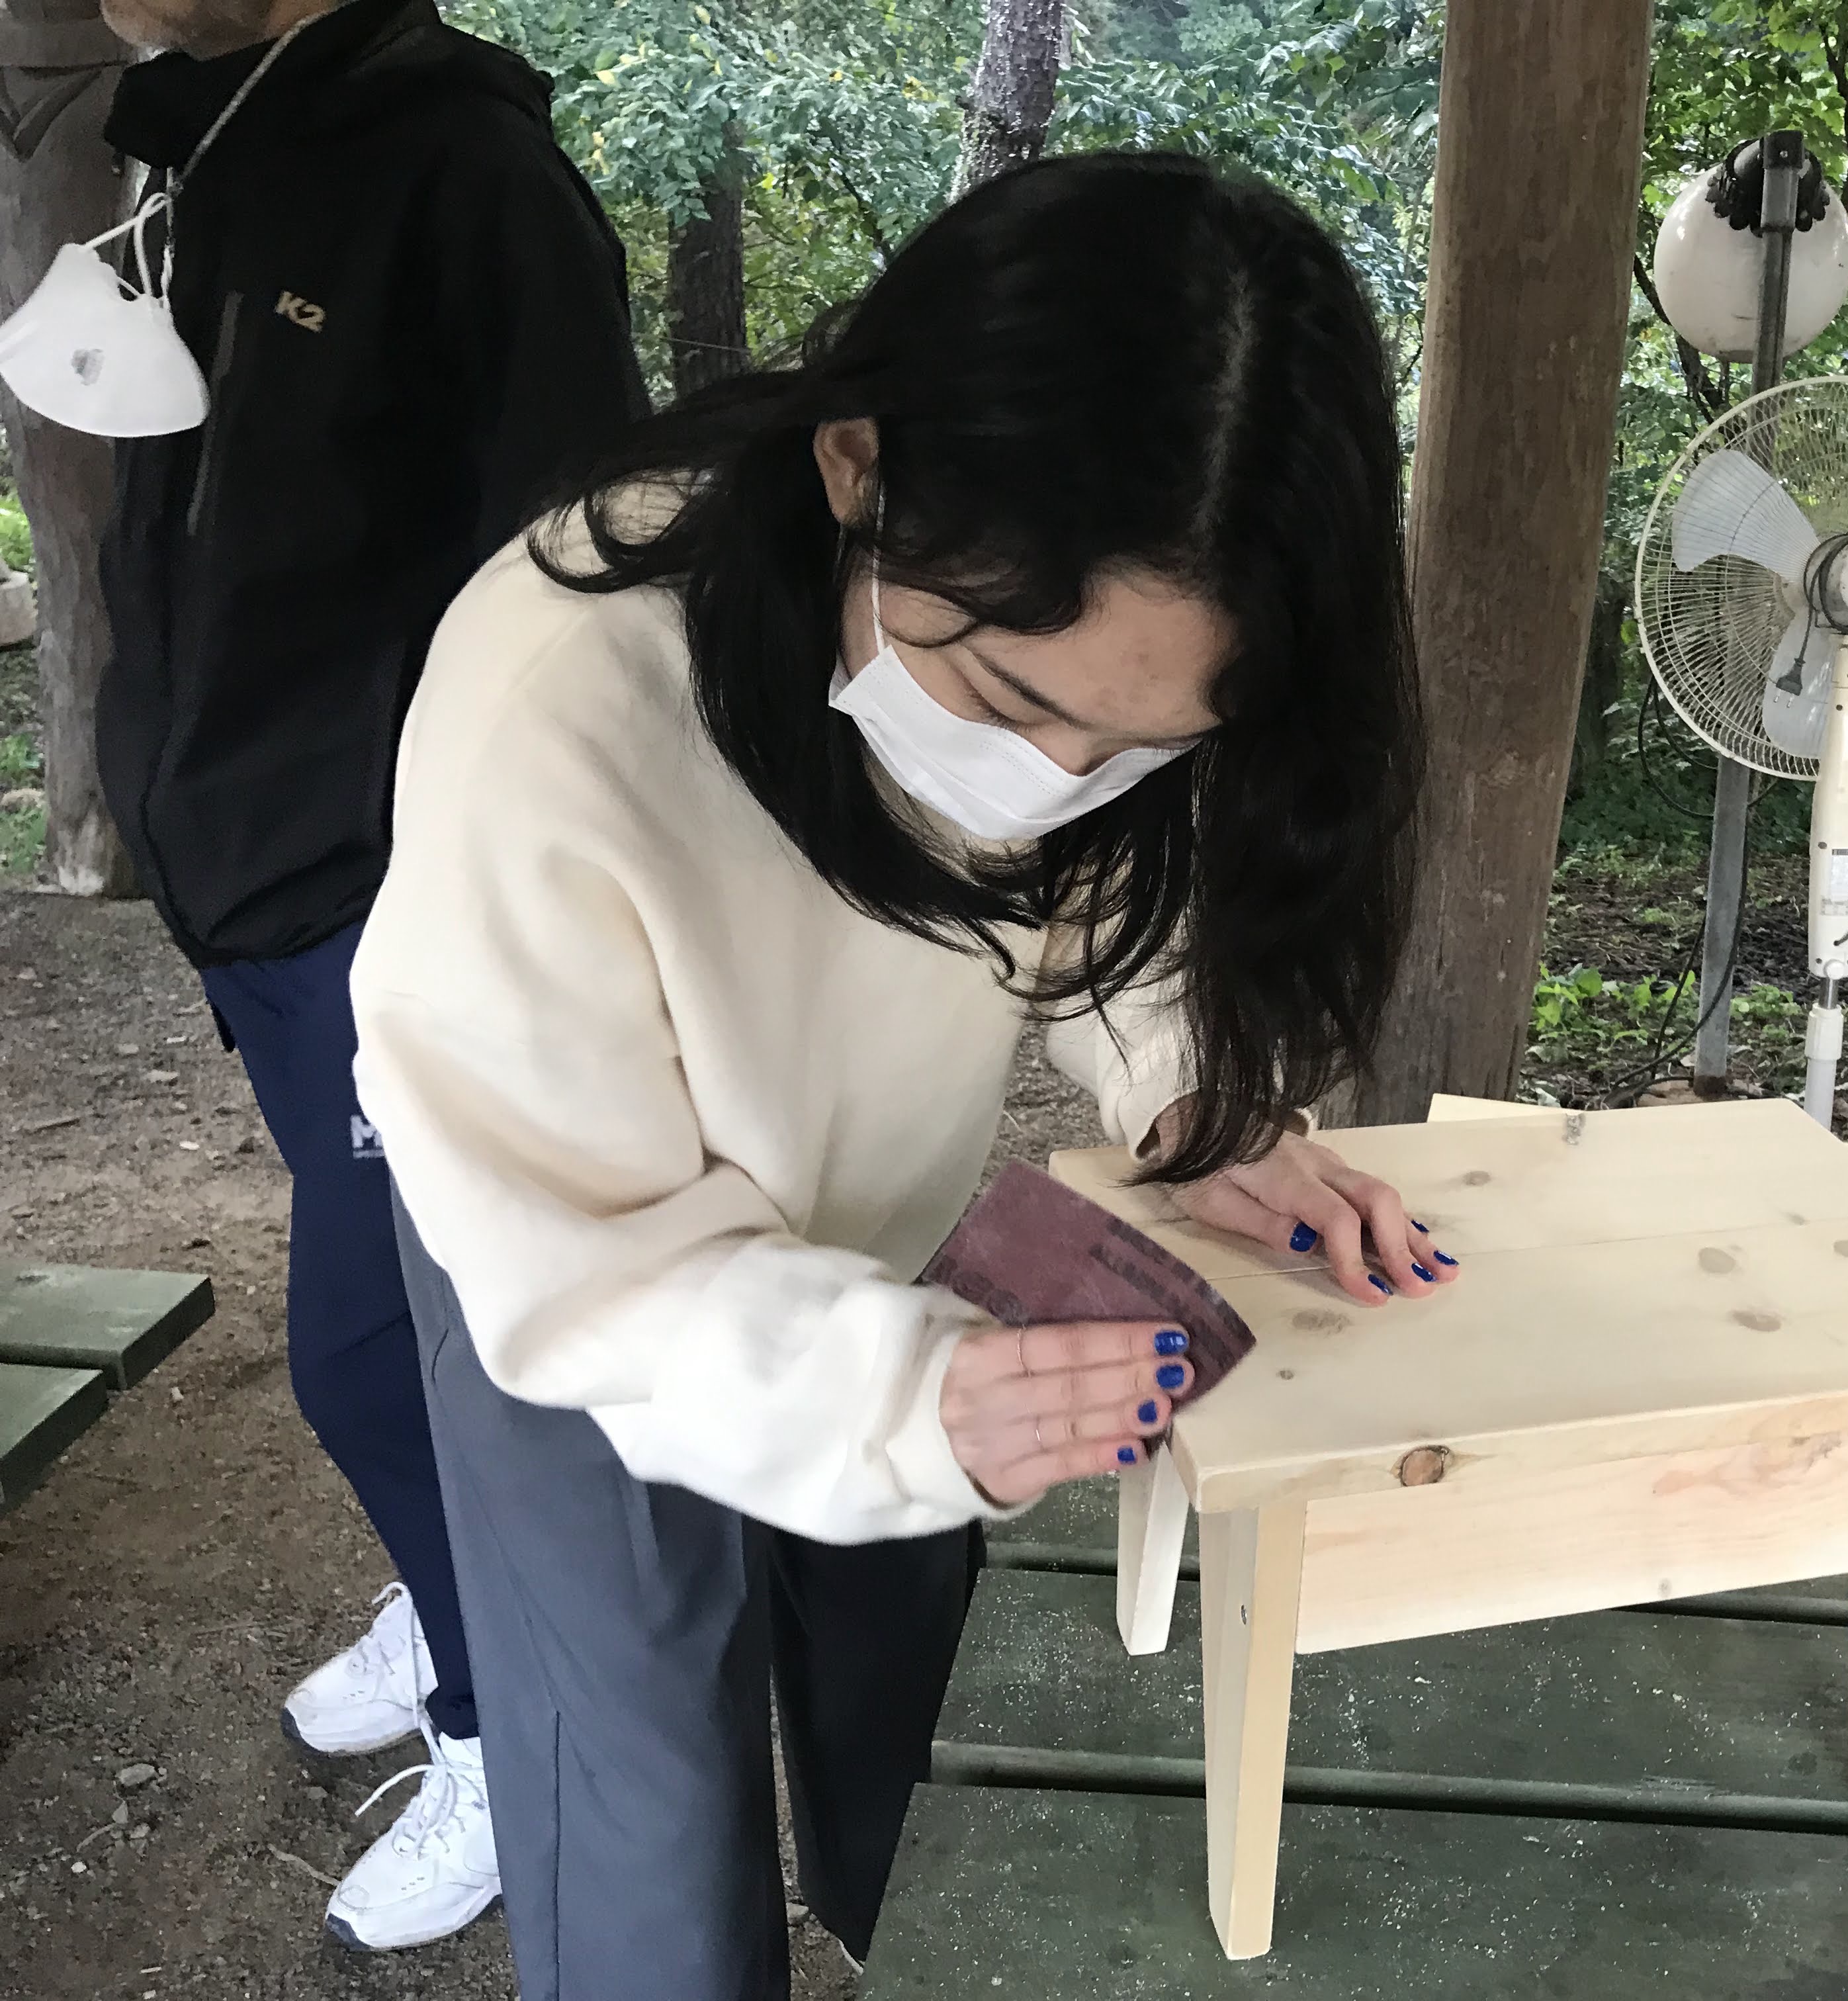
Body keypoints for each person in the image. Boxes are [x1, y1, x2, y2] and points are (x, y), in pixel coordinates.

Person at [348, 150, 1454, 1994]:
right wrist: (897, 1397)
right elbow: (591, 1272)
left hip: (891, 1214)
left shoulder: (1080, 671)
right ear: (857, 466)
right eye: (1010, 703)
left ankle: (902, 1941)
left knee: (911, 1683)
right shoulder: (552, 701)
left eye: (1138, 746)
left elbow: (1104, 903)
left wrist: (1193, 1093)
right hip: (574, 1243)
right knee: (641, 1770)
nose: (1052, 783)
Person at [89, 0, 647, 1951]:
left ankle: (504, 1723)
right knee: (388, 1336)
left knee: (367, 1352)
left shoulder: (473, 177)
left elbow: (590, 569)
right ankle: (451, 1596)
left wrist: (463, 879)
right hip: (247, 887)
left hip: (385, 902)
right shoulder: (213, 146)